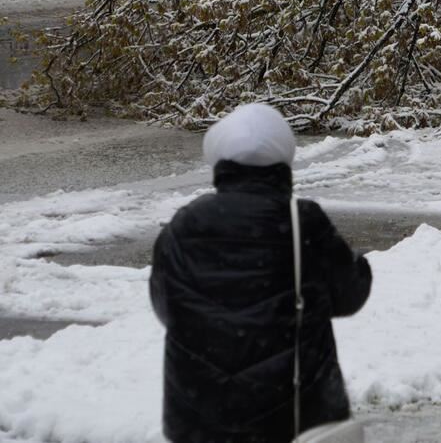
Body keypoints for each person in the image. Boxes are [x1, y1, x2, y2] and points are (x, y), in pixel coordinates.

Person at [150, 103, 372, 442]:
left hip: (201, 415)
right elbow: (349, 295)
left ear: (221, 163)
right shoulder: (303, 222)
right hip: (293, 413)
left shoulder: (183, 225)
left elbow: (167, 308)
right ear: (283, 162)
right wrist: (358, 263)